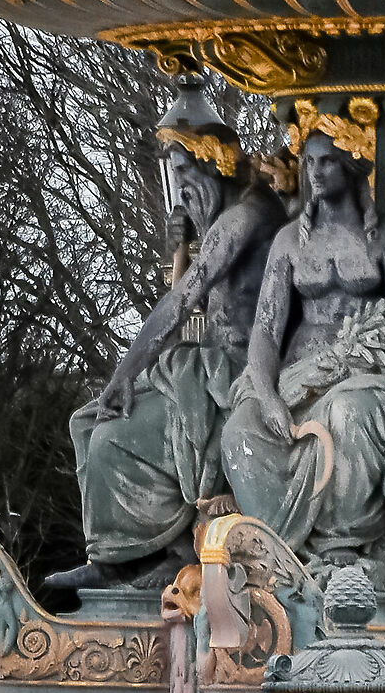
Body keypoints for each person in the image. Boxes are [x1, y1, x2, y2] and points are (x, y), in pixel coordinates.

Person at [49, 84, 289, 594]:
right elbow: (191, 300)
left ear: (213, 163)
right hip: (203, 364)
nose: (179, 190)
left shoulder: (247, 215)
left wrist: (124, 374)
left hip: (235, 374)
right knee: (86, 422)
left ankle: (127, 561)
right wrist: (181, 247)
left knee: (113, 438)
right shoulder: (225, 217)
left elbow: (179, 304)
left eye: (184, 175)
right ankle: (145, 551)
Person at [221, 98, 385, 574]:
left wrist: (359, 350)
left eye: (326, 161)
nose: (314, 171)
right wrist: (265, 394)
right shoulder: (288, 242)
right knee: (241, 428)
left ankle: (341, 543)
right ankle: (274, 551)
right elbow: (265, 331)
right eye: (307, 161)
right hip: (301, 371)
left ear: (350, 163)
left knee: (346, 413)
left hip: (371, 371)